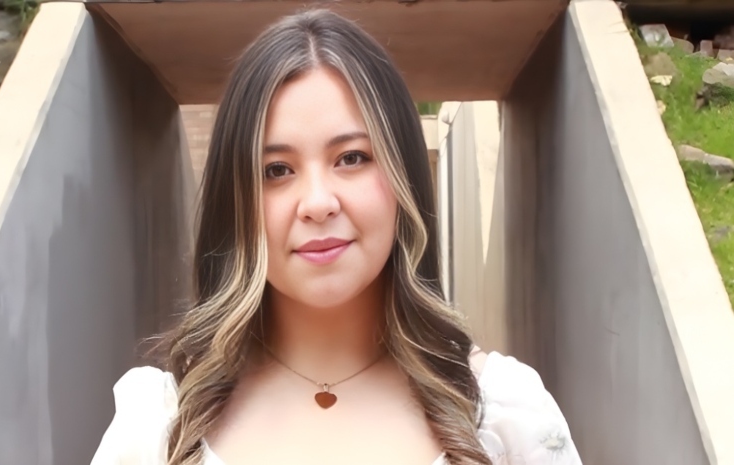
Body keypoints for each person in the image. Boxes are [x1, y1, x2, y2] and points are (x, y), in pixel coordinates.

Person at [90, 9, 582, 465]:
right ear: (234, 202)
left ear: (404, 177)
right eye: (276, 169)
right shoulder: (159, 427)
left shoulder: (503, 414)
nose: (318, 202)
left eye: (351, 158)